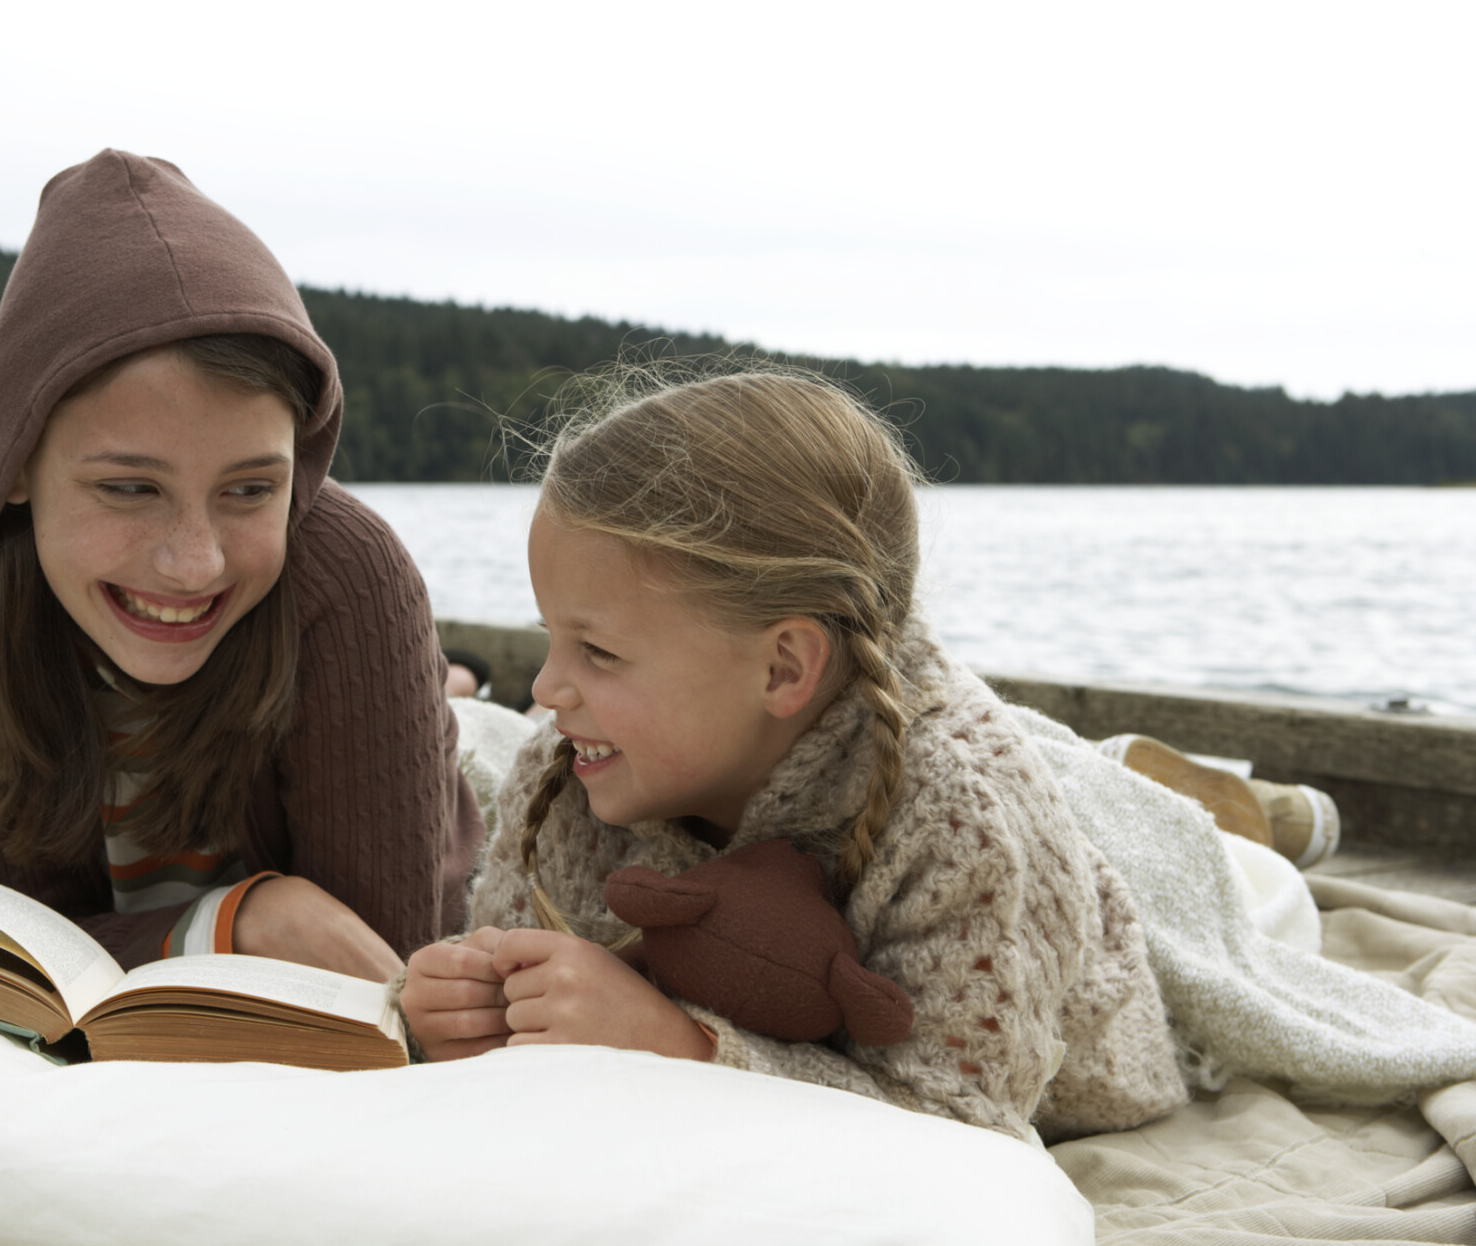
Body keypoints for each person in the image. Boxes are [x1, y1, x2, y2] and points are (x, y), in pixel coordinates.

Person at [398, 365, 1190, 1141]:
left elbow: (961, 1127)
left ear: (783, 667)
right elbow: (531, 1008)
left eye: (598, 651)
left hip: (1067, 1008)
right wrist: (462, 1014)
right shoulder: (571, 770)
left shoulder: (964, 819)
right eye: (551, 638)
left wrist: (682, 1047)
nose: (546, 688)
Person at [0, 149, 483, 980]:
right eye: (131, 488)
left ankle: (457, 686)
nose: (194, 563)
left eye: (251, 489)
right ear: (16, 462)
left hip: (432, 779)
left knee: (470, 722)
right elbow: (22, 936)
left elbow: (383, 965)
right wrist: (244, 920)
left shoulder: (349, 572)